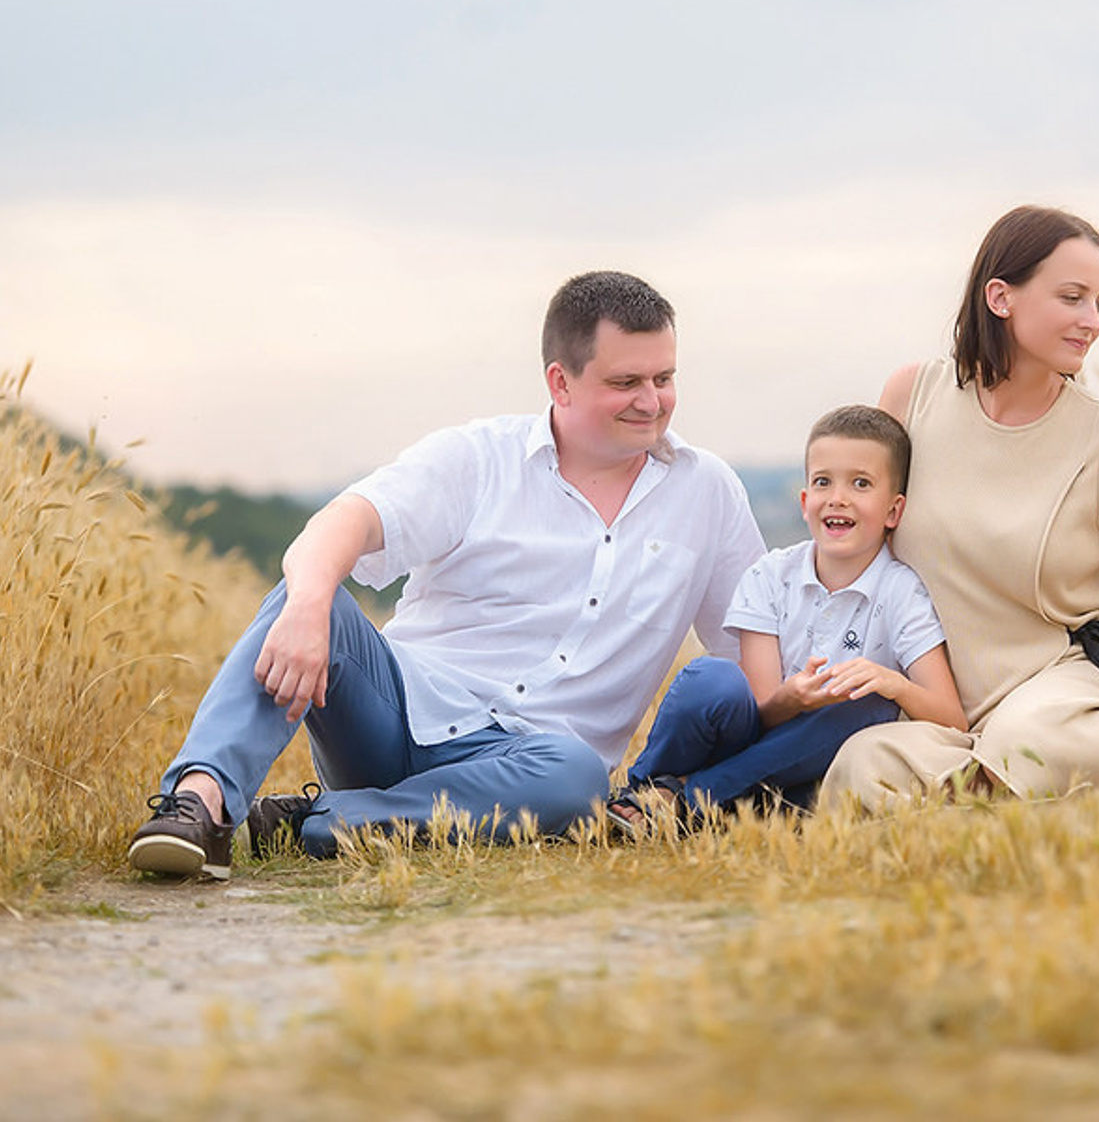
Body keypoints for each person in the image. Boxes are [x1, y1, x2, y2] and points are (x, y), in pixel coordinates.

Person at [128, 270, 766, 879]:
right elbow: (340, 524)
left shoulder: (707, 492)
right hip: (397, 715)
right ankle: (199, 806)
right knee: (309, 595)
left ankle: (307, 824)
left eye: (665, 378)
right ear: (561, 382)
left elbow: (759, 648)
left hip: (530, 767)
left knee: (577, 779)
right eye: (627, 381)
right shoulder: (477, 458)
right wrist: (307, 608)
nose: (652, 401)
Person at [820, 205, 1099, 812]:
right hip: (940, 710)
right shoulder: (914, 395)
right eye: (1072, 298)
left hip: (1055, 695)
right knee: (862, 766)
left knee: (1030, 742)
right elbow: (857, 546)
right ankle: (1045, 822)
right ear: (1001, 297)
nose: (1092, 322)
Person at [608, 405, 965, 833]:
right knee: (710, 677)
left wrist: (894, 683)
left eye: (861, 483)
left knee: (864, 702)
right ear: (804, 501)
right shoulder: (770, 576)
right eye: (822, 482)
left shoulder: (902, 592)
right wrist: (792, 698)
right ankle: (649, 790)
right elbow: (758, 711)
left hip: (807, 771)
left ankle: (686, 802)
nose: (838, 497)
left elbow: (952, 719)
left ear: (894, 510)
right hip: (753, 743)